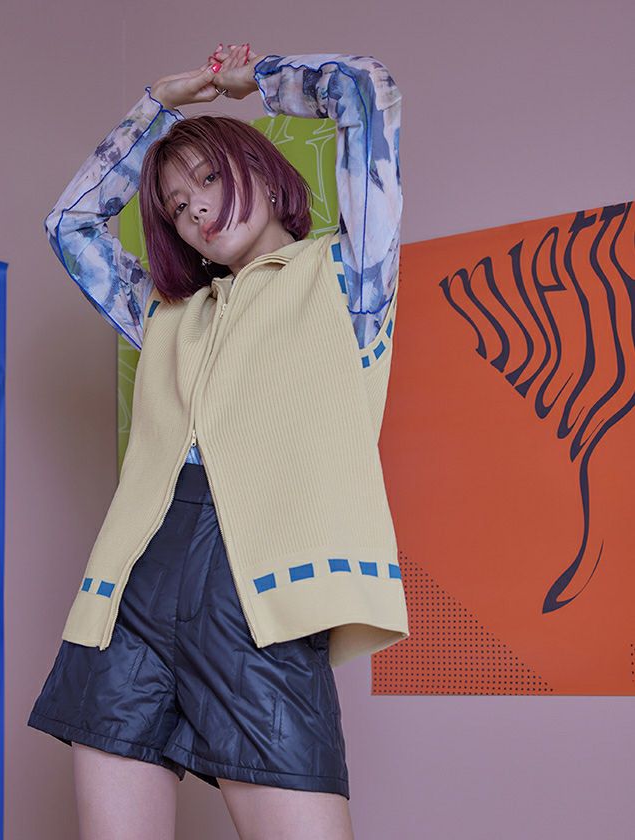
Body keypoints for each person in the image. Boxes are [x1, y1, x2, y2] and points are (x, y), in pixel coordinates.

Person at [28, 42, 408, 840]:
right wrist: (157, 106)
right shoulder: (166, 315)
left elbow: (365, 91)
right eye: (175, 205)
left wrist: (252, 82)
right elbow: (71, 224)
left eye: (208, 179)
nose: (195, 208)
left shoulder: (348, 279)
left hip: (258, 598)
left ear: (266, 176)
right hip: (129, 598)